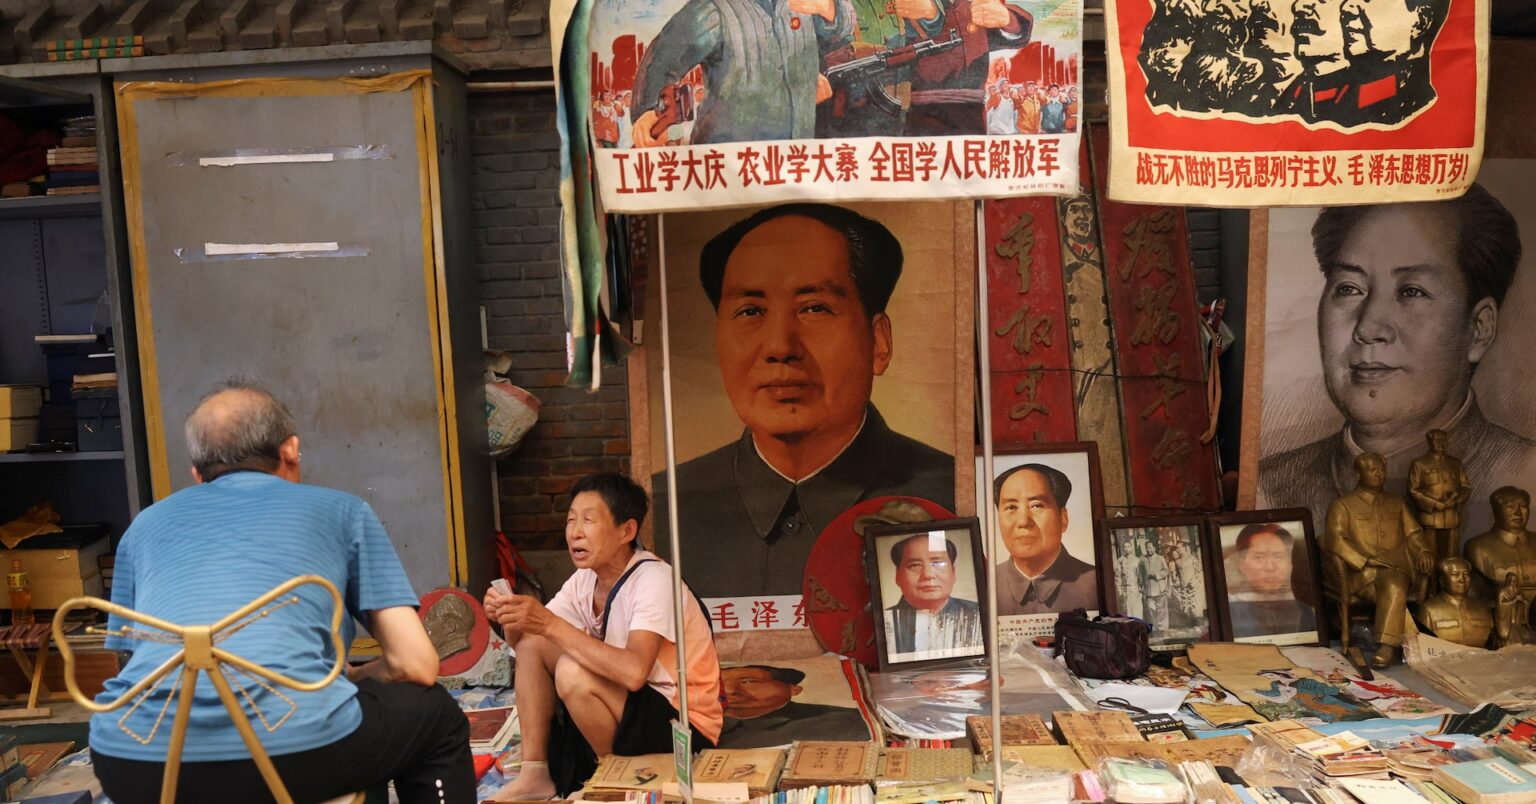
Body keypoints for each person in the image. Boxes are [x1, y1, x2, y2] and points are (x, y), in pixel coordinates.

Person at [89, 381, 472, 804]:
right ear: (291, 450)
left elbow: (137, 660)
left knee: (354, 715)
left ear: (197, 474)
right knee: (434, 716)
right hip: (295, 752)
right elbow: (417, 665)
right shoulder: (342, 512)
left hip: (131, 761)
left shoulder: (144, 526)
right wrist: (353, 679)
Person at [652, 204, 956, 598]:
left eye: (815, 308)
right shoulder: (666, 509)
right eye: (750, 311)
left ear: (878, 342)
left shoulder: (948, 493)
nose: (780, 347)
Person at [1258, 186, 1531, 539]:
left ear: (1478, 330)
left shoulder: (1524, 475)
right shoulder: (1269, 488)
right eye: (1349, 288)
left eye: (1411, 291)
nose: (1369, 328)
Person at [485, 474, 723, 799]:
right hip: (626, 708)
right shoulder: (584, 580)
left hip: (682, 725)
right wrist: (510, 614)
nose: (575, 532)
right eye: (571, 520)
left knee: (572, 672)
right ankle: (535, 773)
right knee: (534, 643)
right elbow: (526, 646)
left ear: (627, 531)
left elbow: (634, 673)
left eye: (589, 520)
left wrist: (546, 623)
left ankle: (612, 779)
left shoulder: (654, 580)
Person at [628, 0, 855, 146]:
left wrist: (830, 8)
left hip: (797, 153)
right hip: (729, 161)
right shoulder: (715, 7)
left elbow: (844, 24)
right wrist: (650, 111)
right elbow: (664, 56)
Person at [1322, 452, 1435, 667]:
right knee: (1394, 588)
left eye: (1381, 469)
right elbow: (1333, 540)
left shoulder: (1396, 502)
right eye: (1372, 469)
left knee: (1394, 584)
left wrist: (1423, 552)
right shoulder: (1343, 505)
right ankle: (1389, 645)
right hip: (1361, 575)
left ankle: (1386, 646)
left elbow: (1414, 534)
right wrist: (1365, 559)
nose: (1378, 473)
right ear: (1358, 473)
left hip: (1395, 569)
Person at [992, 464, 1098, 616]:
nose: (1023, 521)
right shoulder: (985, 585)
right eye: (1011, 508)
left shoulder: (1096, 583)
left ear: (1063, 518)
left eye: (1036, 506)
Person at [716, 665, 871, 747]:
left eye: (749, 682)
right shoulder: (700, 728)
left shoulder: (843, 720)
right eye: (718, 683)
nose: (729, 690)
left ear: (792, 689)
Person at [883, 534, 982, 659]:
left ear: (953, 573)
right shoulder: (885, 623)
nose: (928, 575)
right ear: (898, 576)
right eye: (915, 565)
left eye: (938, 564)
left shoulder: (979, 614)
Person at [1227, 523, 1318, 639]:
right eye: (1259, 557)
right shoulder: (1229, 612)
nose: (1270, 567)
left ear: (1290, 564)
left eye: (1278, 556)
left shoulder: (1305, 613)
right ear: (1242, 563)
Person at [1409, 429, 1472, 564]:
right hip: (1430, 519)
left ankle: (1447, 584)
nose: (1441, 443)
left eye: (1444, 440)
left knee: (1451, 557)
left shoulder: (1455, 463)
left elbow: (1466, 487)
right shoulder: (1419, 463)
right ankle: (1431, 585)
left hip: (1452, 518)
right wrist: (1435, 504)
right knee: (1430, 557)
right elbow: (1413, 490)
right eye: (1438, 440)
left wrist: (1458, 501)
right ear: (1429, 441)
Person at [1464, 486, 1536, 602]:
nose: (1518, 512)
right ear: (1496, 511)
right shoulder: (1477, 547)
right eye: (1510, 507)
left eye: (1523, 506)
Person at [1415, 558, 1493, 647]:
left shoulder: (1483, 608)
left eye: (1466, 574)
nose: (1462, 580)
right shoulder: (1428, 609)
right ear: (1442, 580)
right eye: (1455, 574)